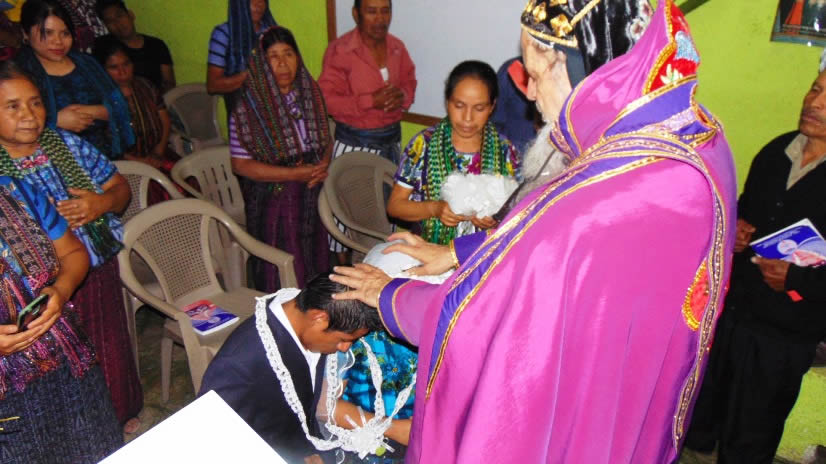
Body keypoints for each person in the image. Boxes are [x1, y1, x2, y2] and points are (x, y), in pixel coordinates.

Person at [329, 0, 738, 462]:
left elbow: (483, 314)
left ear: (580, 68)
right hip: (625, 385)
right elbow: (538, 246)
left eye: (535, 76)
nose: (531, 96)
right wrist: (455, 252)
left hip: (574, 409)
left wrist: (389, 294)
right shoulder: (688, 137)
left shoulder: (600, 196)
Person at [683, 59, 826, 463]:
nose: (814, 102)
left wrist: (796, 280)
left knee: (751, 436)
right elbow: (745, 210)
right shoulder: (777, 151)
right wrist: (736, 233)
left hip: (786, 334)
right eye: (815, 89)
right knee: (700, 419)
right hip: (734, 315)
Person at [0, 61, 142, 433]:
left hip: (94, 268)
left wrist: (100, 204)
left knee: (108, 346)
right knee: (62, 368)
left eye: (35, 102)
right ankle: (83, 431)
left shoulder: (66, 144)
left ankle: (120, 414)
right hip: (35, 294)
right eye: (13, 106)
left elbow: (120, 188)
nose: (29, 114)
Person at [198, 273, 384, 464]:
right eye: (344, 339)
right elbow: (211, 438)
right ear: (319, 318)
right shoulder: (239, 364)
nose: (346, 348)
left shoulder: (306, 317)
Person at [229, 26, 331, 291]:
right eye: (273, 56)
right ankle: (280, 308)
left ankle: (314, 306)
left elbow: (325, 138)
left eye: (288, 53)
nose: (283, 63)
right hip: (272, 198)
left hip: (311, 192)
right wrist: (295, 174)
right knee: (283, 266)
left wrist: (323, 165)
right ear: (262, 63)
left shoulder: (310, 93)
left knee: (315, 258)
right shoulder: (248, 105)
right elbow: (240, 165)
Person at [387, 60, 519, 245]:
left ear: (492, 106)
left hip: (481, 251)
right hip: (426, 248)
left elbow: (519, 211)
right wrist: (434, 209)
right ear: (447, 102)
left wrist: (496, 219)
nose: (467, 118)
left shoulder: (505, 151)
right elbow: (395, 206)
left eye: (479, 108)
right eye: (459, 105)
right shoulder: (423, 144)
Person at [15, 0, 134, 160]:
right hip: (55, 163)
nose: (58, 41)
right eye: (48, 33)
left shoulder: (86, 63)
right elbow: (11, 126)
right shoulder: (18, 75)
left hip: (106, 156)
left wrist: (94, 111)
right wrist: (55, 121)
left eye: (65, 33)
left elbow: (120, 106)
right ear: (25, 33)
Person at [319, 0, 415, 165]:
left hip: (392, 142)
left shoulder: (397, 47)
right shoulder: (341, 51)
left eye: (385, 11)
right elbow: (326, 101)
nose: (380, 19)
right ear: (356, 14)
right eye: (371, 12)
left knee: (389, 182)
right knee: (355, 184)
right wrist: (370, 101)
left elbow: (409, 82)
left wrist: (402, 96)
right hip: (354, 146)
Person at [94, 39, 177, 173]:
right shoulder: (99, 98)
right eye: (114, 67)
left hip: (157, 155)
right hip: (124, 167)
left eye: (126, 64)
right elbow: (105, 144)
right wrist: (141, 162)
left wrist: (159, 151)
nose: (122, 72)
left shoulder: (146, 86)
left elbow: (165, 120)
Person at [207, 0, 276, 115]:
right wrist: (250, 75)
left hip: (274, 112)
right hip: (241, 116)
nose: (259, 4)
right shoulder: (224, 33)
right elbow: (213, 85)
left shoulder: (271, 33)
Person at [93, 0, 176, 93]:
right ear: (106, 26)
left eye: (119, 16)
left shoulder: (157, 45)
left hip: (158, 98)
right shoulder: (104, 47)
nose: (117, 23)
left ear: (131, 15)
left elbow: (169, 83)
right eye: (110, 21)